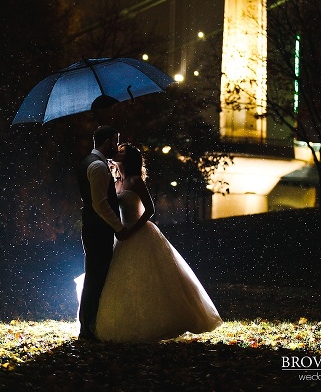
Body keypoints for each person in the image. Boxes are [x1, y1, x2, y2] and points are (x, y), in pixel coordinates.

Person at [95, 144, 222, 342]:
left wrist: (133, 229)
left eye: (121, 151)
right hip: (121, 234)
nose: (116, 152)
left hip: (139, 232)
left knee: (151, 278)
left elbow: (150, 210)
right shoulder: (117, 182)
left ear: (129, 159)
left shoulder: (136, 181)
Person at [76, 125, 129, 341]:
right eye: (115, 142)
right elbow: (100, 205)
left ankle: (89, 324)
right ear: (107, 142)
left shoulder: (89, 162)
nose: (116, 146)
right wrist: (119, 227)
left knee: (96, 276)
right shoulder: (97, 166)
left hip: (93, 228)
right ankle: (87, 327)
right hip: (98, 230)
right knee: (96, 278)